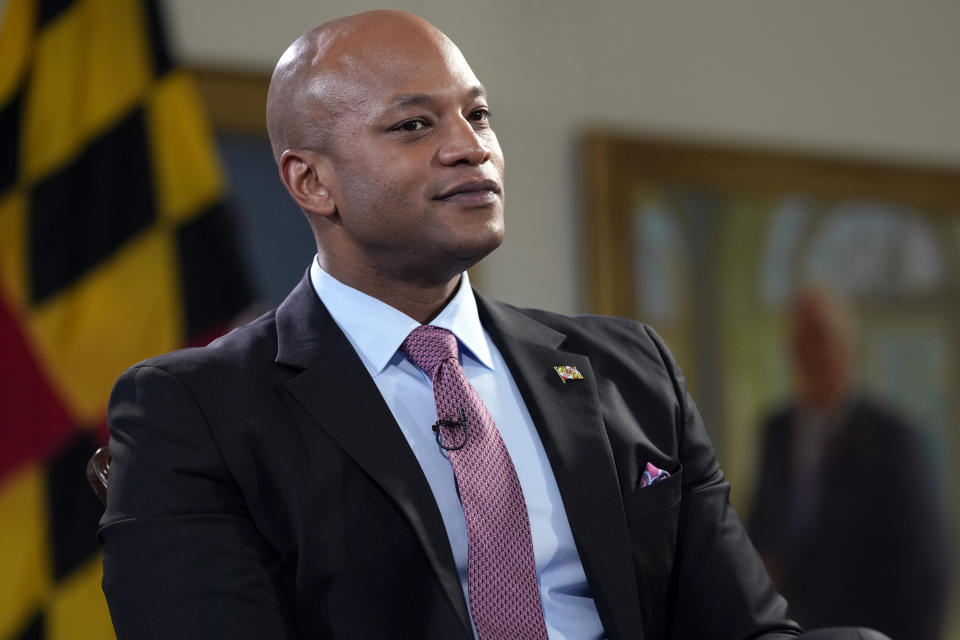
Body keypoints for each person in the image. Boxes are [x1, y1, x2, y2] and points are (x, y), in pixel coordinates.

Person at [100, 10, 818, 639]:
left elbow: (745, 628)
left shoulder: (629, 368)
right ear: (311, 182)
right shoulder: (193, 410)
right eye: (414, 125)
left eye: (477, 115)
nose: (469, 146)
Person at [749, 286, 950, 640]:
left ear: (850, 347)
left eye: (819, 336)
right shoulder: (775, 433)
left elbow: (925, 573)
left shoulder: (893, 439)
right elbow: (759, 533)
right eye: (798, 341)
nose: (808, 353)